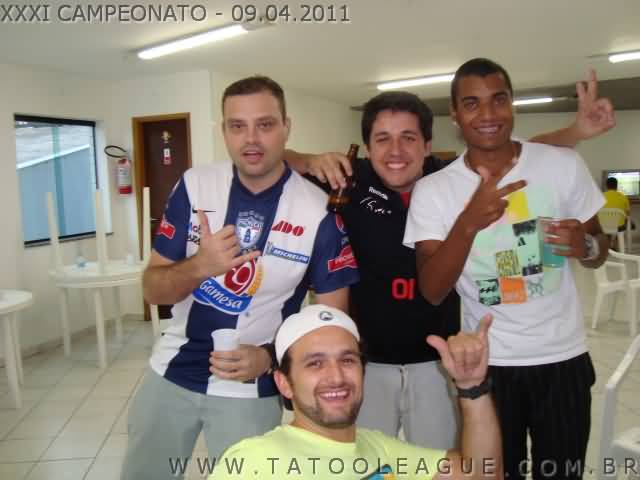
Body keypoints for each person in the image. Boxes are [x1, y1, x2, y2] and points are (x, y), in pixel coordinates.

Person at [283, 70, 615, 449]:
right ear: (368, 148)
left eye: (409, 138)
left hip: (442, 359)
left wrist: (573, 133)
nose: (396, 151)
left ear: (428, 146)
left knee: (446, 464)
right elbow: (274, 160)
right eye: (383, 139)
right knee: (373, 464)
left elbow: (513, 151)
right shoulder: (349, 180)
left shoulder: (444, 178)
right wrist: (309, 159)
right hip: (369, 360)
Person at [121, 76, 359, 480]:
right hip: (170, 373)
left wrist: (269, 357)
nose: (251, 139)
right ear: (224, 131)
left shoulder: (318, 213)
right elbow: (152, 288)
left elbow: (332, 325)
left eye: (265, 124)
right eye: (237, 126)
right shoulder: (195, 186)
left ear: (286, 127)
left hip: (251, 389)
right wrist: (200, 266)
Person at [404, 58, 610, 480]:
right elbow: (432, 290)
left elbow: (599, 248)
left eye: (498, 100)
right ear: (455, 114)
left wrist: (586, 245)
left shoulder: (561, 164)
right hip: (487, 364)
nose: (488, 114)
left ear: (512, 103)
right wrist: (468, 222)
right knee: (495, 474)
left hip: (562, 357)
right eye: (472, 103)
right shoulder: (434, 190)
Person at [210, 304, 502, 479]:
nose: (336, 377)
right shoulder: (254, 461)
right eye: (315, 363)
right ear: (284, 383)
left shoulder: (380, 449)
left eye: (347, 360)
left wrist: (471, 387)